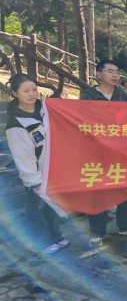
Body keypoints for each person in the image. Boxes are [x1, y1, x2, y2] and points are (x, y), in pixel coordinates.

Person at [5, 74, 70, 254]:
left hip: (52, 169)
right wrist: (33, 180)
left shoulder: (44, 110)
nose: (32, 94)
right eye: (26, 91)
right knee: (35, 208)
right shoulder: (16, 123)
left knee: (51, 204)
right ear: (15, 93)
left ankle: (55, 236)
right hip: (35, 174)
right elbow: (22, 155)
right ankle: (41, 244)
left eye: (34, 89)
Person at [81, 59, 127, 247]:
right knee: (98, 190)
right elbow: (83, 123)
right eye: (110, 71)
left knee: (124, 188)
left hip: (120, 150)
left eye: (117, 71)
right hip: (96, 151)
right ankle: (97, 231)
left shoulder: (124, 96)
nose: (115, 75)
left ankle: (126, 225)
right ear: (99, 74)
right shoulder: (88, 97)